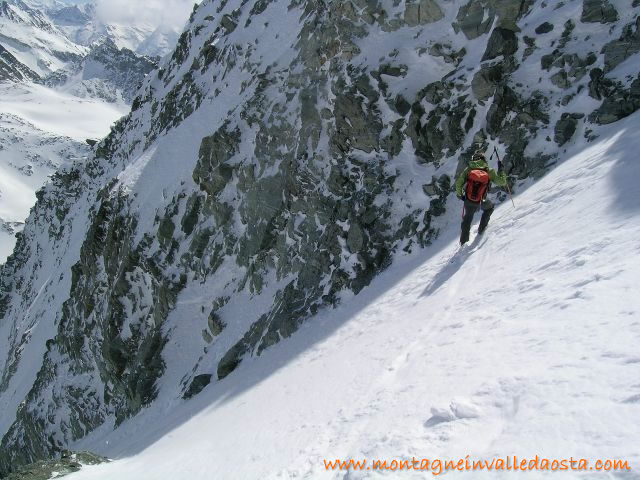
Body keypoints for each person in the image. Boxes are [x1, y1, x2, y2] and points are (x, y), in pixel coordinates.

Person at [455, 149, 507, 245]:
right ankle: (481, 229)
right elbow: (502, 182)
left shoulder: (469, 169)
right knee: (489, 208)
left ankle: (463, 242)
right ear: (484, 160)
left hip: (469, 200)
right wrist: (501, 170)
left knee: (467, 219)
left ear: (474, 159)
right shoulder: (489, 171)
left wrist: (460, 195)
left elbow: (459, 183)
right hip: (481, 200)